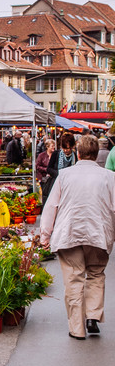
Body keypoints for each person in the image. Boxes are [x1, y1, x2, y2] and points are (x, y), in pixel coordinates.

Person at [40, 135, 115, 340]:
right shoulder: (110, 177)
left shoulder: (64, 176)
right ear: (97, 154)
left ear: (78, 153)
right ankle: (92, 316)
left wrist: (45, 236)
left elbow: (51, 206)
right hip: (99, 234)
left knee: (74, 279)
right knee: (96, 274)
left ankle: (77, 328)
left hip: (69, 233)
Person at [45, 132, 77, 203]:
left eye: (68, 148)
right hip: (56, 185)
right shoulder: (56, 154)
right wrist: (59, 174)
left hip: (70, 186)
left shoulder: (75, 156)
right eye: (64, 148)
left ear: (72, 147)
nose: (65, 150)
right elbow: (49, 169)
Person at [36, 138, 55, 207]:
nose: (53, 147)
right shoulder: (42, 155)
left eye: (54, 146)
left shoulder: (55, 155)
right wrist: (46, 170)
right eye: (52, 146)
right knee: (44, 193)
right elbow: (37, 166)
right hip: (43, 178)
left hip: (52, 177)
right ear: (47, 147)